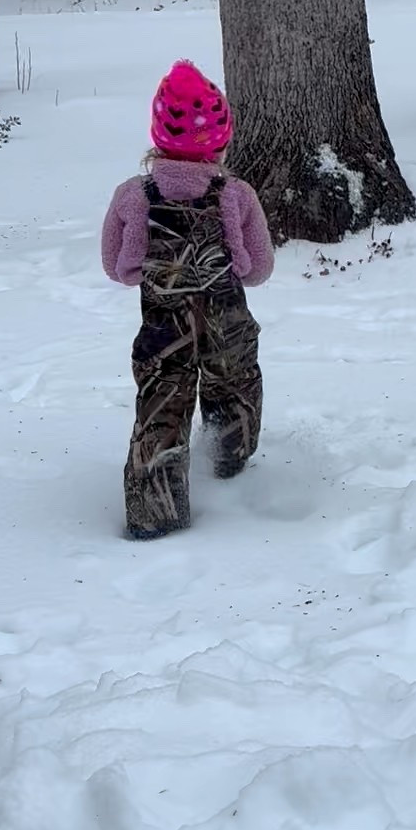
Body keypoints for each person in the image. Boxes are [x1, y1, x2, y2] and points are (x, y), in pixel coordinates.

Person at [102, 61, 274, 538]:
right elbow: (258, 268)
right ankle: (229, 465)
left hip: (163, 333)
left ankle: (154, 514)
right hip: (228, 327)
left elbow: (119, 266)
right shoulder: (236, 194)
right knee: (235, 389)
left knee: (162, 408)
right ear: (220, 140)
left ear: (157, 136)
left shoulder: (133, 195)